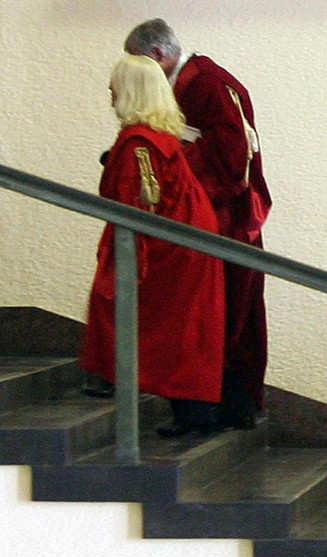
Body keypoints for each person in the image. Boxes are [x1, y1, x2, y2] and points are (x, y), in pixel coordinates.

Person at [125, 18, 272, 430]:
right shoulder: (190, 83)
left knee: (223, 311)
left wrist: (176, 178)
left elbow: (232, 156)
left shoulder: (207, 83)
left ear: (157, 56)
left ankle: (228, 404)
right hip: (205, 213)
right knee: (211, 312)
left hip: (224, 217)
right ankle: (220, 403)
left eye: (139, 64)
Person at [80, 55, 225, 436]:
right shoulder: (159, 136)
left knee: (162, 325)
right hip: (190, 239)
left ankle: (125, 381)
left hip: (174, 249)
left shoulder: (139, 143)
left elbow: (139, 203)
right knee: (190, 331)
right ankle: (191, 410)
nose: (110, 92)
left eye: (115, 86)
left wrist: (130, 262)